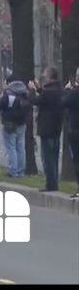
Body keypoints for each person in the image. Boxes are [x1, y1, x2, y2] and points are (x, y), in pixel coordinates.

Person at [28, 67, 64, 192]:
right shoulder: (59, 90)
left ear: (49, 77)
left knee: (47, 157)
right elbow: (45, 97)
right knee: (54, 156)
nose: (43, 76)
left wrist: (32, 90)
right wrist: (39, 88)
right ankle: (54, 183)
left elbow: (36, 100)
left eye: (45, 74)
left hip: (46, 127)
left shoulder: (48, 92)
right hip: (56, 127)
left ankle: (51, 184)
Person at [0, 74, 31, 178]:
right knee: (20, 147)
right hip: (22, 123)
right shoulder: (25, 93)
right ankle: (21, 170)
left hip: (9, 124)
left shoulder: (8, 95)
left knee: (11, 148)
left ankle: (13, 170)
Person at [61, 70, 79, 198]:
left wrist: (67, 89)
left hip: (76, 131)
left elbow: (63, 102)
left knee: (77, 160)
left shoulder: (74, 94)